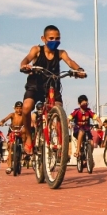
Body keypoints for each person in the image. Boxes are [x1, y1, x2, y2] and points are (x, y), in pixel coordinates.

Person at [19, 25, 86, 154]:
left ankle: (61, 145)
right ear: (43, 38)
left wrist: (79, 70)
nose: (54, 41)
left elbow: (70, 62)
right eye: (51, 38)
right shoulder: (37, 50)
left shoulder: (61, 53)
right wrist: (24, 65)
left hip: (52, 86)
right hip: (35, 85)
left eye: (57, 38)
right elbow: (27, 58)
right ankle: (28, 137)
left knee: (59, 110)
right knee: (26, 108)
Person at [0, 101, 25, 173]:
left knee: (26, 139)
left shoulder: (24, 115)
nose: (19, 110)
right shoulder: (12, 115)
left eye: (20, 108)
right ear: (14, 109)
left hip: (21, 132)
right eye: (17, 108)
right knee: (10, 147)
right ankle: (9, 166)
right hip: (12, 132)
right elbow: (5, 119)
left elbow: (30, 121)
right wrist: (2, 122)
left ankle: (24, 152)